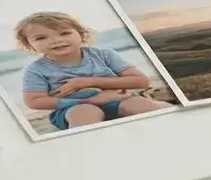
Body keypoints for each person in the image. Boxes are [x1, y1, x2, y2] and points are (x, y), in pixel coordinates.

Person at [15, 11, 173, 132]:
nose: (56, 40)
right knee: (84, 114)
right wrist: (89, 101)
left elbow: (140, 81)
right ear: (29, 45)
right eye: (41, 38)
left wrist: (87, 82)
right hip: (72, 108)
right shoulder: (36, 70)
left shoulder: (104, 55)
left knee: (139, 105)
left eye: (65, 33)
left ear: (81, 34)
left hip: (120, 99)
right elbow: (34, 101)